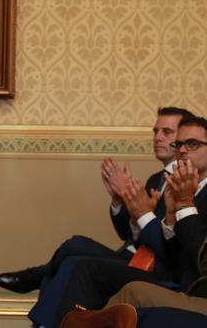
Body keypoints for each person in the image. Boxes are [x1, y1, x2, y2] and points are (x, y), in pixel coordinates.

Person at [29, 116, 207, 328]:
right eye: (179, 144)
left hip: (176, 279)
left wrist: (146, 214)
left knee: (79, 261)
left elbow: (186, 255)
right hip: (148, 261)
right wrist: (137, 212)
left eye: (192, 144)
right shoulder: (164, 181)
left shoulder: (188, 190)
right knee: (69, 262)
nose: (183, 150)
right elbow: (148, 241)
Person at [0, 107, 194, 294]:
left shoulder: (188, 181)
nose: (157, 137)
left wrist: (143, 214)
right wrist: (119, 202)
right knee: (59, 272)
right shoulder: (155, 179)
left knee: (75, 246)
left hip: (155, 269)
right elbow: (127, 235)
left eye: (166, 132)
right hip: (132, 257)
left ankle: (35, 276)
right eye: (155, 131)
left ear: (184, 137)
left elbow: (170, 247)